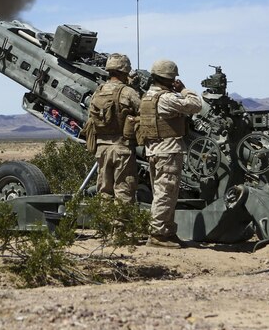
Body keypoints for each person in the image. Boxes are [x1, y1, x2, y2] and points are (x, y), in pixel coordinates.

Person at [137, 59, 203, 248]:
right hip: (168, 151)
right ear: (170, 79)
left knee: (163, 192)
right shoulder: (167, 98)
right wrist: (184, 89)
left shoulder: (147, 96)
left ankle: (167, 232)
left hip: (154, 151)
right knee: (166, 193)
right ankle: (158, 234)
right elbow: (195, 105)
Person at [85, 53, 141, 202]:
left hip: (102, 148)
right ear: (125, 70)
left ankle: (105, 223)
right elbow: (143, 112)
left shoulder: (98, 91)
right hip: (121, 148)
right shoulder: (128, 92)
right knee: (123, 192)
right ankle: (120, 225)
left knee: (104, 191)